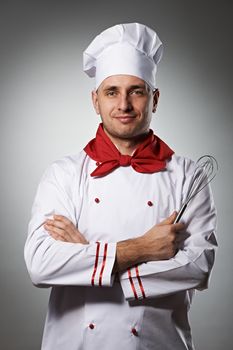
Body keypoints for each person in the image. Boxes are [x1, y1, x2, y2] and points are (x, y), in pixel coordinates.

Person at [24, 23, 217, 350]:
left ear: (154, 99)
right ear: (95, 101)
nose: (124, 105)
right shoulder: (64, 174)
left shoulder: (189, 176)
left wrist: (89, 260)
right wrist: (142, 248)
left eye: (136, 91)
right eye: (111, 91)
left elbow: (197, 267)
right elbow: (41, 264)